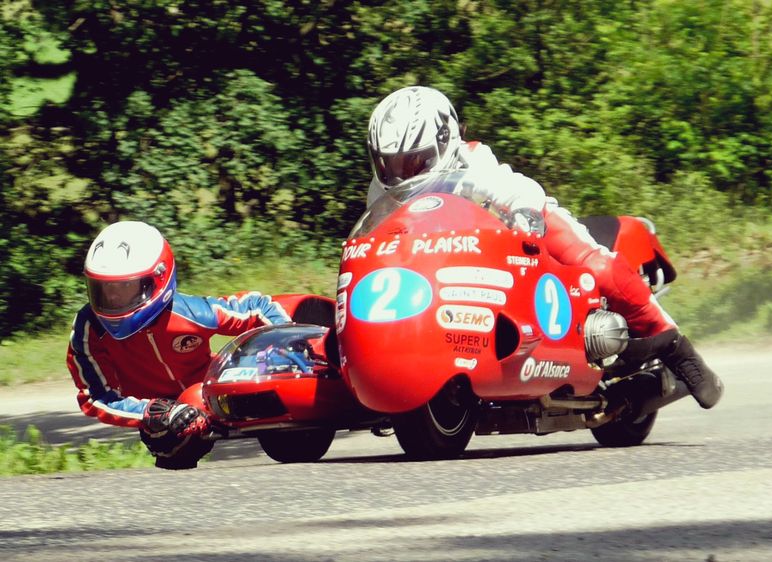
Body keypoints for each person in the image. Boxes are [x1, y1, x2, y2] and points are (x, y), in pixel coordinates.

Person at [366, 85, 723, 409]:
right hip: (447, 259)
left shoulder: (472, 161)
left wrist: (524, 212)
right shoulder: (381, 191)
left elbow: (515, 188)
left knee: (597, 268)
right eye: (389, 164)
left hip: (523, 223)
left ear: (445, 143)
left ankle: (678, 349)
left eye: (413, 161)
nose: (401, 175)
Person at [66, 221, 292, 469]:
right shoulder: (88, 328)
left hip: (216, 394)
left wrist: (286, 339)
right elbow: (95, 397)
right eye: (103, 288)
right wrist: (151, 411)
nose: (112, 298)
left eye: (125, 287)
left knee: (288, 445)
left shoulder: (191, 312)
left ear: (158, 279)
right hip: (166, 419)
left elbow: (257, 306)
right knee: (173, 455)